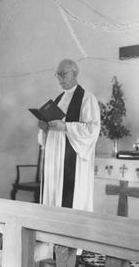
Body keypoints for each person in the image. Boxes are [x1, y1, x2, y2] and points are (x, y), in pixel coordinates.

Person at [38, 58, 100, 211]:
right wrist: (44, 128)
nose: (59, 79)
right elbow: (45, 138)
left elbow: (92, 129)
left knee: (70, 200)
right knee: (53, 200)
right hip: (54, 160)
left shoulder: (87, 98)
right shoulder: (58, 99)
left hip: (72, 159)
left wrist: (65, 126)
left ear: (74, 73)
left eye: (62, 74)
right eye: (57, 75)